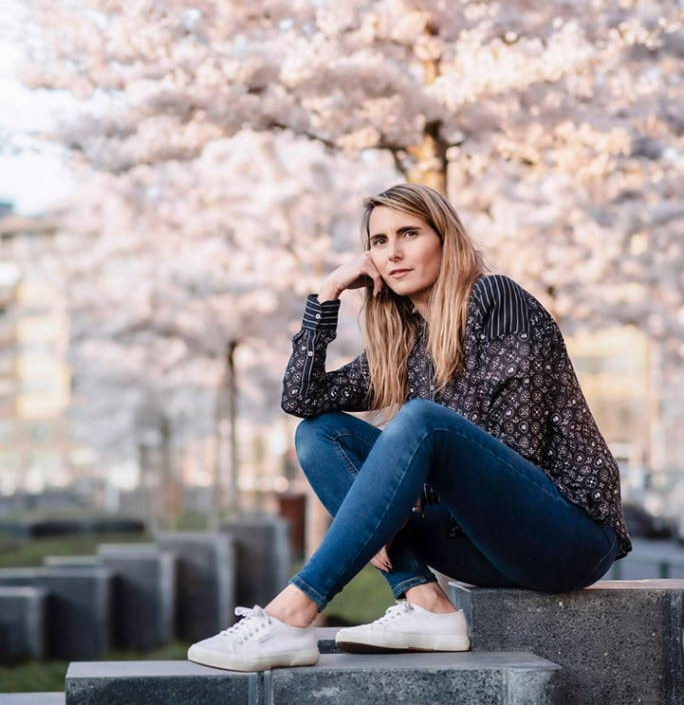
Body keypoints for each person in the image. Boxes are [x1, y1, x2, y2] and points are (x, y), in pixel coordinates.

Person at [188, 183, 631, 672]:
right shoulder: (406, 343)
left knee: (422, 421)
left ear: (445, 240)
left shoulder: (496, 298)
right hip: (480, 546)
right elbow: (302, 400)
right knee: (320, 432)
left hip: (566, 535)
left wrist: (388, 510)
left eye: (409, 234)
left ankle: (293, 612)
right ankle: (426, 604)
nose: (392, 252)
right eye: (379, 241)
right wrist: (327, 294)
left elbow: (514, 451)